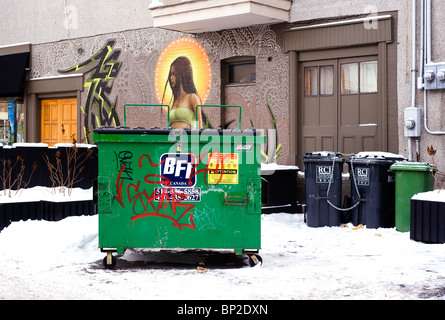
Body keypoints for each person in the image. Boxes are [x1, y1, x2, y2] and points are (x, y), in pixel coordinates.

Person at [162, 56, 203, 129]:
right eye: (170, 74)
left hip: (187, 139)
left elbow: (199, 125)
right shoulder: (175, 100)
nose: (171, 77)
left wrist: (196, 139)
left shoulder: (192, 97)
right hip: (172, 139)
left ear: (182, 75)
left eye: (174, 74)